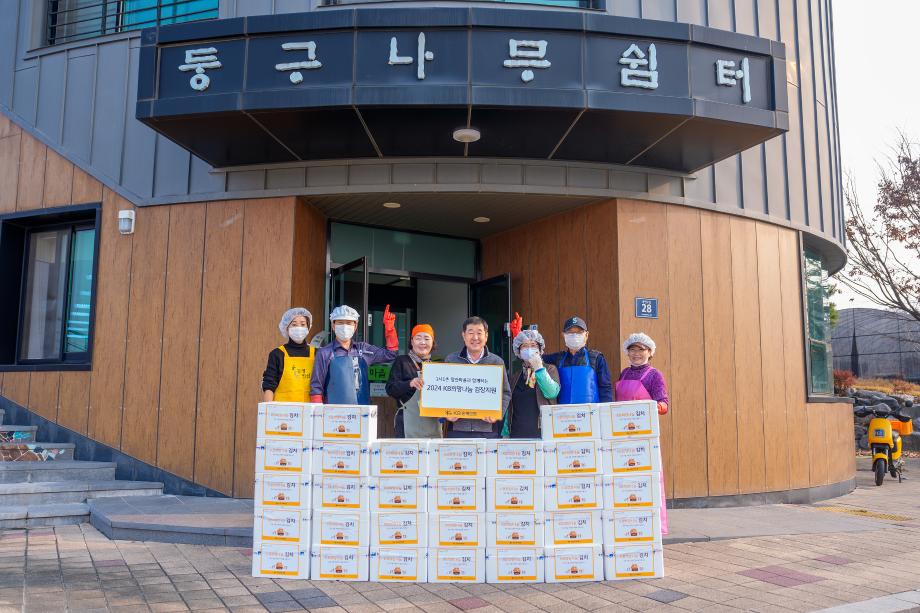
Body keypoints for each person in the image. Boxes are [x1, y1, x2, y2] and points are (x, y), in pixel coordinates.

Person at [615, 332, 669, 534]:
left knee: (646, 479)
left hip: (644, 438)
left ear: (650, 352)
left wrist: (649, 408)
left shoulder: (654, 375)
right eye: (632, 349)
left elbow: (664, 404)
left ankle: (652, 524)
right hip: (621, 437)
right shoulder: (624, 374)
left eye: (641, 349)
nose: (636, 353)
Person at [309, 304, 398, 404]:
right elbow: (316, 387)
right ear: (333, 326)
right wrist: (318, 410)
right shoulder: (324, 353)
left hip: (362, 409)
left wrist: (390, 329)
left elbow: (390, 355)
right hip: (333, 411)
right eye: (340, 322)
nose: (344, 327)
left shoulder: (363, 349)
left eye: (349, 323)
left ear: (355, 326)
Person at [444, 316, 511, 438]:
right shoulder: (451, 360)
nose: (475, 337)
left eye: (479, 333)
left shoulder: (496, 362)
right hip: (457, 428)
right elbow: (442, 391)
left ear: (486, 336)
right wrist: (445, 413)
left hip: (488, 429)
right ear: (463, 336)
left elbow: (505, 393)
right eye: (470, 333)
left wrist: (497, 414)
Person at [537, 315, 613, 404]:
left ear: (586, 335)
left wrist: (605, 410)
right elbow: (537, 359)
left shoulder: (596, 358)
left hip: (591, 411)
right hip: (564, 411)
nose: (575, 336)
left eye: (579, 332)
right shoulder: (558, 358)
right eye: (570, 332)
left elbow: (605, 388)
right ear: (563, 335)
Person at [385, 324, 442, 438]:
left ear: (432, 342)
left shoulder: (437, 367)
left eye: (427, 339)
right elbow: (390, 389)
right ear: (412, 341)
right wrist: (409, 383)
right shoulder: (402, 361)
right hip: (407, 422)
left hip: (432, 423)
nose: (422, 342)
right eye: (418, 338)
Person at [502, 329, 561, 438]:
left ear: (540, 349)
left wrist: (539, 368)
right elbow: (509, 407)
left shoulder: (550, 369)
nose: (529, 349)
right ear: (518, 351)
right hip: (517, 435)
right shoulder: (515, 376)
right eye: (524, 346)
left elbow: (552, 393)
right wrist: (505, 433)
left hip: (542, 434)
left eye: (533, 345)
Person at [262, 308, 316, 402]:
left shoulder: (317, 353)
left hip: (309, 409)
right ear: (287, 328)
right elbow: (269, 385)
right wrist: (268, 408)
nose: (299, 328)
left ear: (308, 327)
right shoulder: (277, 354)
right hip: (282, 409)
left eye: (303, 324)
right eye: (294, 324)